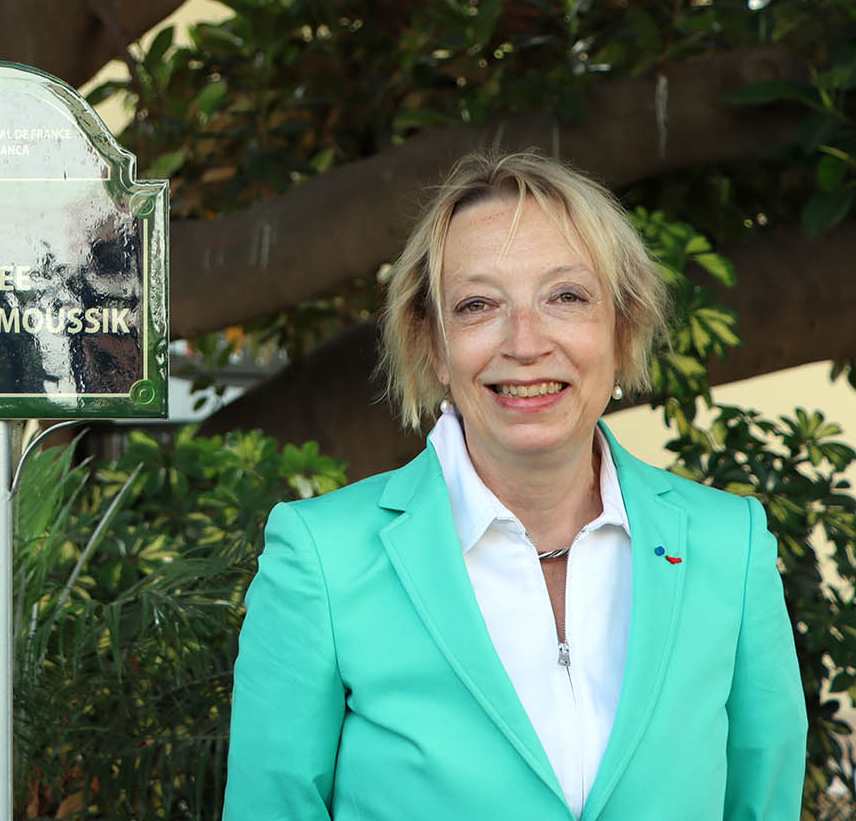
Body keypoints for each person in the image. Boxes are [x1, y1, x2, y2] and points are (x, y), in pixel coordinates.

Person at [223, 150, 805, 820]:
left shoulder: (730, 547)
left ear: (622, 328)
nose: (525, 343)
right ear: (434, 345)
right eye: (478, 305)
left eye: (566, 297)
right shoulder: (323, 559)